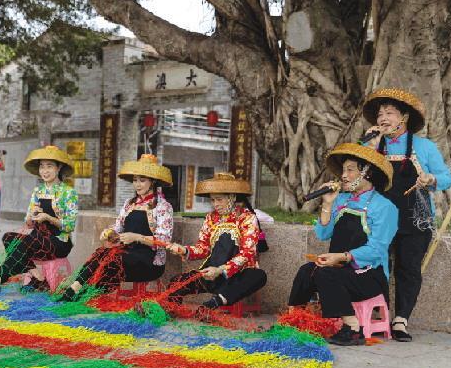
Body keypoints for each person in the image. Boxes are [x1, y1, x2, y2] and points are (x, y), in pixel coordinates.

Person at [359, 88, 451, 342]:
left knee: (408, 268)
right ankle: (378, 314)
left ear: (404, 117)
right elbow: (355, 173)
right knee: (376, 264)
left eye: (389, 113)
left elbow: (447, 177)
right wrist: (370, 146)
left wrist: (431, 178)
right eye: (380, 114)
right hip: (378, 217)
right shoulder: (370, 145)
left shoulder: (424, 146)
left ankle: (401, 319)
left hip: (414, 217)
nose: (383, 118)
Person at [287, 143, 398, 346]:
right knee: (307, 270)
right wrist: (328, 204)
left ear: (367, 173)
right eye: (343, 170)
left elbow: (377, 249)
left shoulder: (385, 207)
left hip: (369, 275)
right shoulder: (341, 200)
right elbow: (323, 234)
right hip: (338, 269)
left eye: (350, 170)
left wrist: (342, 256)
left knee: (325, 273)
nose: (343, 176)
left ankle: (353, 327)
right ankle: (294, 320)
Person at [58, 154, 173, 301]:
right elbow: (118, 227)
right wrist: (109, 232)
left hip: (149, 262)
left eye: (142, 180)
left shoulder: (163, 206)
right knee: (102, 253)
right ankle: (75, 289)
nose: (137, 184)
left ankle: (82, 294)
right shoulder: (129, 203)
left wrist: (136, 237)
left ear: (153, 181)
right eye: (135, 180)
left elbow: (164, 240)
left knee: (111, 260)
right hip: (126, 254)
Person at [0, 145, 78, 294]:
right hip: (36, 239)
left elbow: (70, 226)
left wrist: (48, 218)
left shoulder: (68, 192)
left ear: (59, 167)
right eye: (42, 166)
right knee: (8, 237)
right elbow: (28, 223)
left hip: (58, 242)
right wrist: (32, 216)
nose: (45, 171)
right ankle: (37, 274)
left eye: (49, 166)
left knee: (22, 244)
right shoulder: (38, 191)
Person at [159, 172, 268, 310]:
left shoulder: (247, 218)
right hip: (210, 273)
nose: (215, 204)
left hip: (236, 276)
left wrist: (221, 270)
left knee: (258, 276)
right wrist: (184, 249)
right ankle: (170, 310)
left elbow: (247, 253)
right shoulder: (211, 218)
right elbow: (203, 248)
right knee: (176, 282)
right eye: (212, 200)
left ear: (232, 197)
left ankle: (213, 304)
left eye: (219, 199)